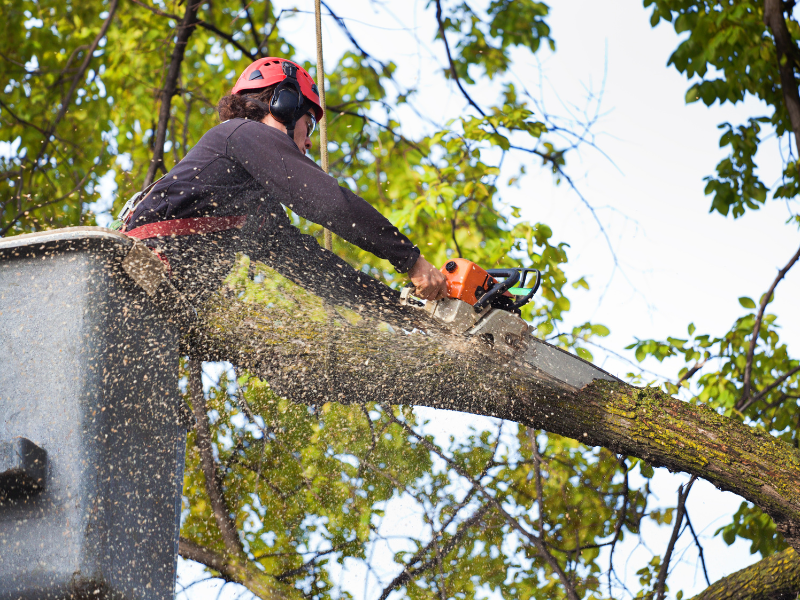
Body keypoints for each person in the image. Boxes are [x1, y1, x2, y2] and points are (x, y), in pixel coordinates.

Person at [122, 57, 447, 308]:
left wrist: (403, 310)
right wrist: (411, 260)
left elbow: (315, 269)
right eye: (309, 124)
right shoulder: (242, 133)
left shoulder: (253, 206)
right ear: (284, 105)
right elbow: (330, 203)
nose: (309, 142)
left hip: (153, 301)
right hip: (132, 275)